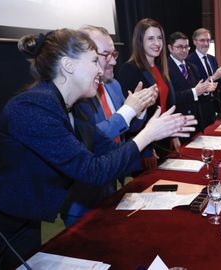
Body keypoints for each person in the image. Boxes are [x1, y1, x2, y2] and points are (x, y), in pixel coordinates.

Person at [0, 29, 196, 269]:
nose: (100, 69)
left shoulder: (74, 106)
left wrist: (158, 139)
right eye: (95, 60)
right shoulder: (33, 106)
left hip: (26, 218)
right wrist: (148, 135)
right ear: (68, 65)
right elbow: (92, 171)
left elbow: (105, 149)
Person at [59, 25, 159, 227]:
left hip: (113, 185)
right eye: (105, 55)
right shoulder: (77, 92)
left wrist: (139, 110)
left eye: (114, 53)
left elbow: (125, 128)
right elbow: (89, 139)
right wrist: (127, 112)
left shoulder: (113, 85)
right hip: (83, 198)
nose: (113, 60)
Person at [117, 18, 179, 163]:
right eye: (151, 38)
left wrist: (173, 134)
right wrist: (145, 149)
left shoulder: (160, 68)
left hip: (164, 137)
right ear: (140, 41)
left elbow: (167, 105)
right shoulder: (129, 70)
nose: (157, 43)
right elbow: (130, 117)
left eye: (159, 38)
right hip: (146, 144)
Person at [167, 31, 217, 136]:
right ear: (170, 48)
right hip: (178, 125)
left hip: (196, 123)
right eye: (180, 47)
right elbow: (170, 97)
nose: (184, 50)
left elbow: (198, 93)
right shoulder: (164, 69)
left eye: (186, 47)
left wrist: (206, 90)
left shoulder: (192, 67)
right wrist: (195, 91)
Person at [187, 28, 221, 128]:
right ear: (194, 42)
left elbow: (217, 84)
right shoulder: (189, 61)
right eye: (202, 40)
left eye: (208, 40)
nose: (206, 43)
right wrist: (215, 76)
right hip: (199, 107)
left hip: (212, 106)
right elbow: (195, 85)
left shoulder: (212, 59)